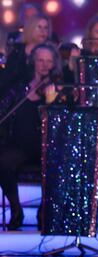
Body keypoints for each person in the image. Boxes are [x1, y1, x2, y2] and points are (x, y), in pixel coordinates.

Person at [0, 44, 61, 230]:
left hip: (46, 146)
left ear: (54, 64)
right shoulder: (20, 88)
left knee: (55, 163)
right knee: (3, 162)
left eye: (49, 61)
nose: (45, 65)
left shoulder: (58, 89)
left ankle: (44, 210)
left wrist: (52, 103)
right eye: (40, 60)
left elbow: (59, 123)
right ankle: (16, 209)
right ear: (33, 62)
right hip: (20, 146)